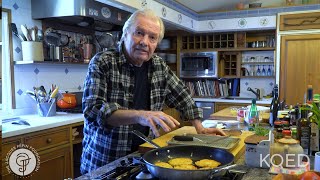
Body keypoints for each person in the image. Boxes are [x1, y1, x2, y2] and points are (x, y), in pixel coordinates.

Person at [80, 8, 226, 174]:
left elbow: (182, 96)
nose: (144, 42)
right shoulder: (103, 62)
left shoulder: (158, 65)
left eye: (152, 37)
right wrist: (141, 115)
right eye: (139, 33)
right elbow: (93, 110)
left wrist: (200, 127)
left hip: (142, 158)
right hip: (105, 163)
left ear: (156, 43)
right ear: (125, 33)